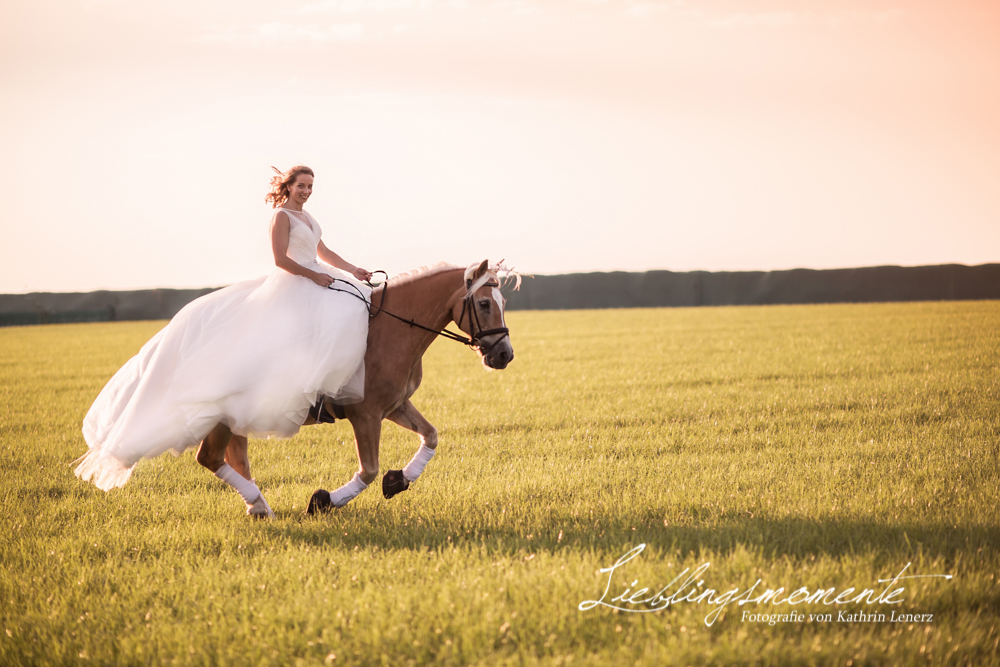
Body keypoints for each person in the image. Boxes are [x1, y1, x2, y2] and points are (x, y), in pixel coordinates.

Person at [76, 165, 372, 516]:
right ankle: (302, 396)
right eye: (301, 186)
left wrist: (352, 270)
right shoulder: (280, 217)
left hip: (315, 279)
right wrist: (314, 277)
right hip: (293, 285)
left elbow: (325, 253)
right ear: (288, 187)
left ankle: (324, 396)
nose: (307, 191)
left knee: (353, 309)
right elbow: (281, 260)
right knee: (284, 342)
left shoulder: (308, 217)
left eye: (310, 186)